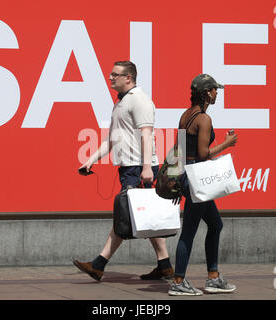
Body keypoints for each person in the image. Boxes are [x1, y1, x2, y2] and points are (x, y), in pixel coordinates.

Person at [73, 61, 174, 281]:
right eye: (111, 74)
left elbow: (147, 134)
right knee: (144, 217)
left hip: (139, 168)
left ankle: (99, 264)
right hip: (130, 167)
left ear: (128, 78)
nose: (110, 77)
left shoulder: (139, 100)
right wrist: (90, 160)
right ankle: (165, 265)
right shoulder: (121, 103)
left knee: (124, 216)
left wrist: (147, 168)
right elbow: (112, 139)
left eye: (115, 74)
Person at [168, 74, 238, 296]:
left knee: (215, 225)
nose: (217, 93)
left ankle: (213, 277)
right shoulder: (204, 120)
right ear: (207, 93)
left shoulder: (185, 115)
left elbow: (178, 151)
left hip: (187, 178)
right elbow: (203, 154)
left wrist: (178, 182)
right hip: (197, 180)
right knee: (188, 231)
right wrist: (227, 144)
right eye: (215, 90)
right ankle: (178, 281)